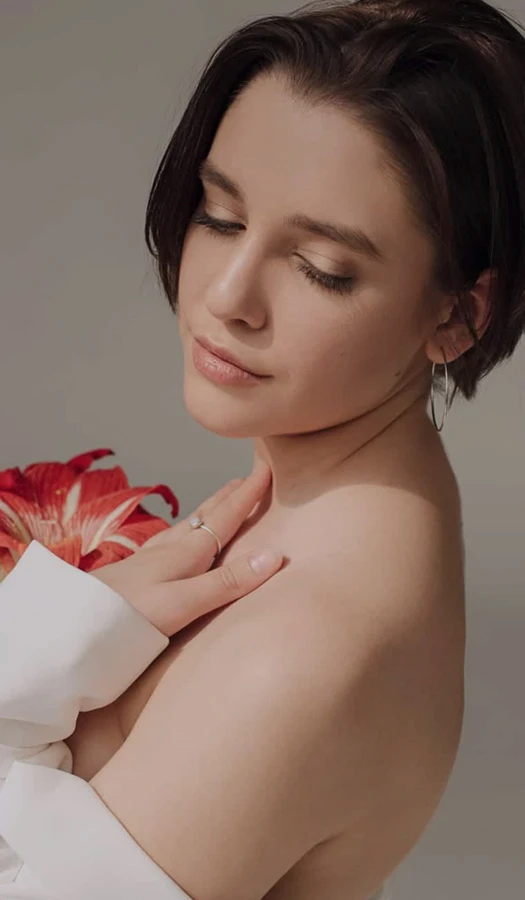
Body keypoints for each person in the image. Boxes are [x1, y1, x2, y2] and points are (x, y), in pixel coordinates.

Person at [1, 0, 525, 897]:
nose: (227, 296)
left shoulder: (293, 656)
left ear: (457, 314)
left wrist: (21, 663)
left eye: (321, 267)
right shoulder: (298, 529)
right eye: (219, 215)